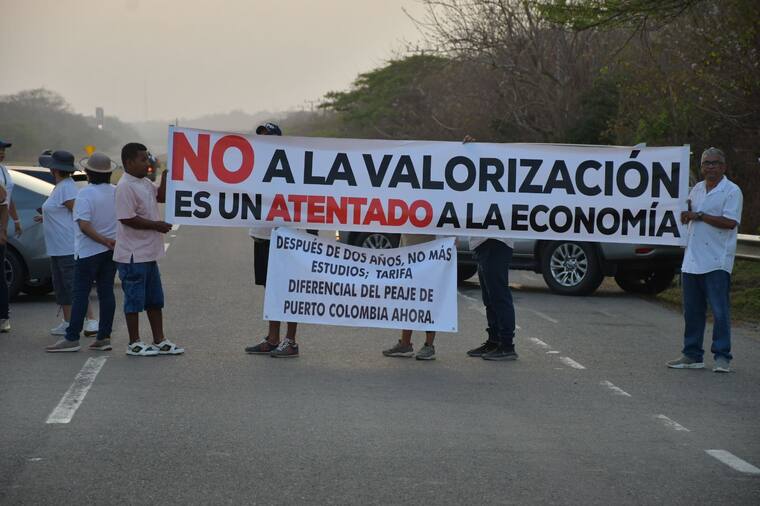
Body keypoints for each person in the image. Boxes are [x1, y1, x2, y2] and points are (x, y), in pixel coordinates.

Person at [667, 147, 743, 373]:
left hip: (716, 261)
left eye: (715, 163)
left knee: (720, 311)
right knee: (692, 312)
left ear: (723, 166)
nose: (710, 167)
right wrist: (686, 216)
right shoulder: (696, 190)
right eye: (706, 163)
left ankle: (722, 356)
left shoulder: (731, 191)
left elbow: (730, 222)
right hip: (692, 260)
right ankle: (692, 355)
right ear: (701, 167)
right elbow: (687, 214)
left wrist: (699, 216)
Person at [245, 122, 311, 358]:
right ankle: (273, 338)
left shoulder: (292, 167)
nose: (264, 142)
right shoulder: (253, 167)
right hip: (262, 236)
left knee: (289, 289)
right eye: (261, 137)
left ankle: (290, 341)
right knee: (271, 290)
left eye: (268, 137)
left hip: (287, 237)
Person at [115, 142, 183, 357]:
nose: (147, 164)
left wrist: (167, 175)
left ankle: (159, 339)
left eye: (147, 159)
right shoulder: (125, 186)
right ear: (129, 162)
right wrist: (156, 225)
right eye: (142, 160)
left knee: (154, 299)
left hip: (148, 252)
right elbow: (127, 218)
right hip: (133, 254)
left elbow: (161, 196)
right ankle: (134, 342)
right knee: (134, 300)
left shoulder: (143, 182)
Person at [46, 152, 119, 352]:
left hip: (88, 252)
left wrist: (102, 240)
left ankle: (72, 338)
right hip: (111, 251)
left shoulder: (85, 193)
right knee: (106, 293)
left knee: (80, 294)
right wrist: (110, 241)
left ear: (89, 173)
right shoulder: (116, 191)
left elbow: (84, 225)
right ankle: (104, 337)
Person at [461, 136, 518, 361]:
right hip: (481, 242)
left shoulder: (500, 179)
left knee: (498, 295)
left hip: (496, 241)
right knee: (489, 297)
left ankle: (507, 345)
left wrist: (476, 149)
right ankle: (494, 341)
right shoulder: (476, 181)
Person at [35, 150, 99, 337]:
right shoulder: (61, 186)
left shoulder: (67, 188)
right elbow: (60, 210)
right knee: (62, 287)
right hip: (57, 247)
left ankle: (91, 320)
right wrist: (46, 217)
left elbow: (79, 212)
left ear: (54, 169)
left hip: (67, 247)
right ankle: (68, 321)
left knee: (74, 286)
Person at [382, 233, 437, 360]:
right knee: (407, 300)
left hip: (426, 252)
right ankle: (405, 344)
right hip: (408, 248)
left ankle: (429, 345)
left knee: (426, 300)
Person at [0, 138, 20, 332]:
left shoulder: (4, 171)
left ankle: (3, 317)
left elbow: (6, 201)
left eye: (4, 150)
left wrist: (16, 220)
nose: (2, 153)